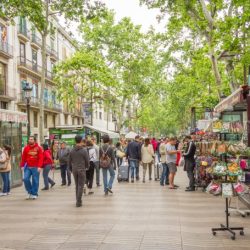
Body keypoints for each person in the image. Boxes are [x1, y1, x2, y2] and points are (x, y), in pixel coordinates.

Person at [69, 135, 89, 207]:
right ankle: (78, 201)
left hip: (74, 169)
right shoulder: (84, 150)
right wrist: (87, 167)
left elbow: (69, 161)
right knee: (80, 185)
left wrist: (71, 169)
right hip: (81, 169)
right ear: (81, 141)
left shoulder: (71, 150)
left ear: (75, 141)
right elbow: (87, 161)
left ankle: (78, 200)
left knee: (77, 185)